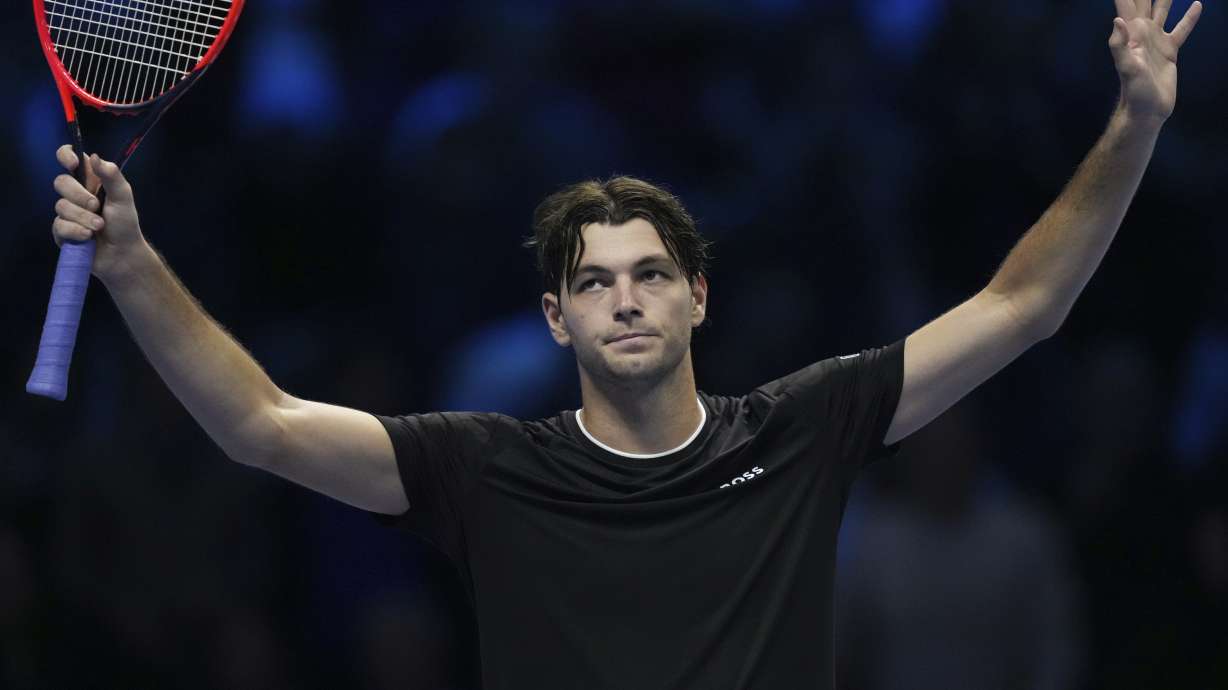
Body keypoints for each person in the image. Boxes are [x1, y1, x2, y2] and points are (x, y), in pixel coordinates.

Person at [43, 2, 1201, 688]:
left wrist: (1133, 124)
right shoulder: (484, 467)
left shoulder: (804, 425)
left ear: (699, 298)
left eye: (652, 274)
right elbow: (261, 425)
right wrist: (136, 265)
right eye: (592, 283)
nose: (626, 300)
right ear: (557, 320)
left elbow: (1023, 303)